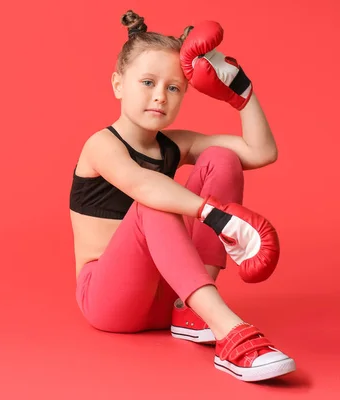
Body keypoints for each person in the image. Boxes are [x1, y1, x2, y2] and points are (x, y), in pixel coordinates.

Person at [69, 10, 296, 382]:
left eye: (174, 88)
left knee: (221, 159)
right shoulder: (101, 145)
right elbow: (143, 185)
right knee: (153, 204)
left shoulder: (176, 144)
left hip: (173, 292)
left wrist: (241, 94)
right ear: (118, 84)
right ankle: (229, 331)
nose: (160, 96)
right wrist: (216, 215)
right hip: (109, 301)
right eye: (147, 82)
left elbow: (261, 152)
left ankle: (191, 312)